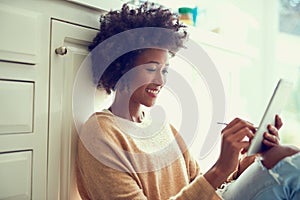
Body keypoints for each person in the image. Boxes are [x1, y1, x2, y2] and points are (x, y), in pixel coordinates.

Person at [75, 2, 296, 200]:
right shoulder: (101, 133)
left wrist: (239, 167)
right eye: (151, 68)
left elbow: (200, 189)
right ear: (121, 67)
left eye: (165, 70)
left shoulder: (163, 129)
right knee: (289, 162)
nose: (160, 80)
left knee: (285, 157)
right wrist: (219, 169)